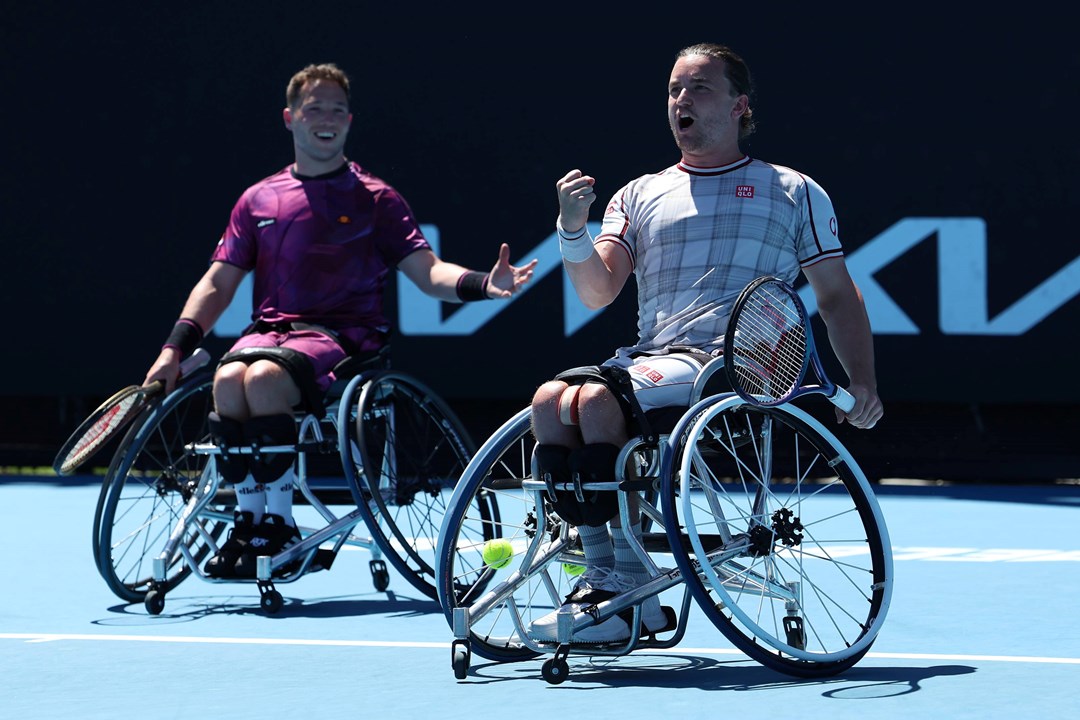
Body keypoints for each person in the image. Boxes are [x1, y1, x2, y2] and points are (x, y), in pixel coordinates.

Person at [528, 42, 883, 643]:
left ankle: (612, 596)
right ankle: (615, 582)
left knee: (592, 402)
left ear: (740, 106)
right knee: (546, 402)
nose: (681, 101)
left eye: (699, 88)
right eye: (673, 90)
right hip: (652, 364)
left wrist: (863, 379)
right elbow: (597, 291)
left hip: (737, 369)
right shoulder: (636, 194)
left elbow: (836, 296)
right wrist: (571, 231)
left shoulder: (795, 190)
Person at [144, 62, 537, 579]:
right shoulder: (257, 200)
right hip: (270, 333)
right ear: (290, 118)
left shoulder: (376, 199)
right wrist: (174, 348)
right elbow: (218, 283)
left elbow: (429, 272)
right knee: (227, 378)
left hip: (345, 340)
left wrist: (485, 283)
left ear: (349, 122)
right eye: (313, 108)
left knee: (260, 378)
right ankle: (250, 520)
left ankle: (280, 526)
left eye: (336, 109)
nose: (325, 118)